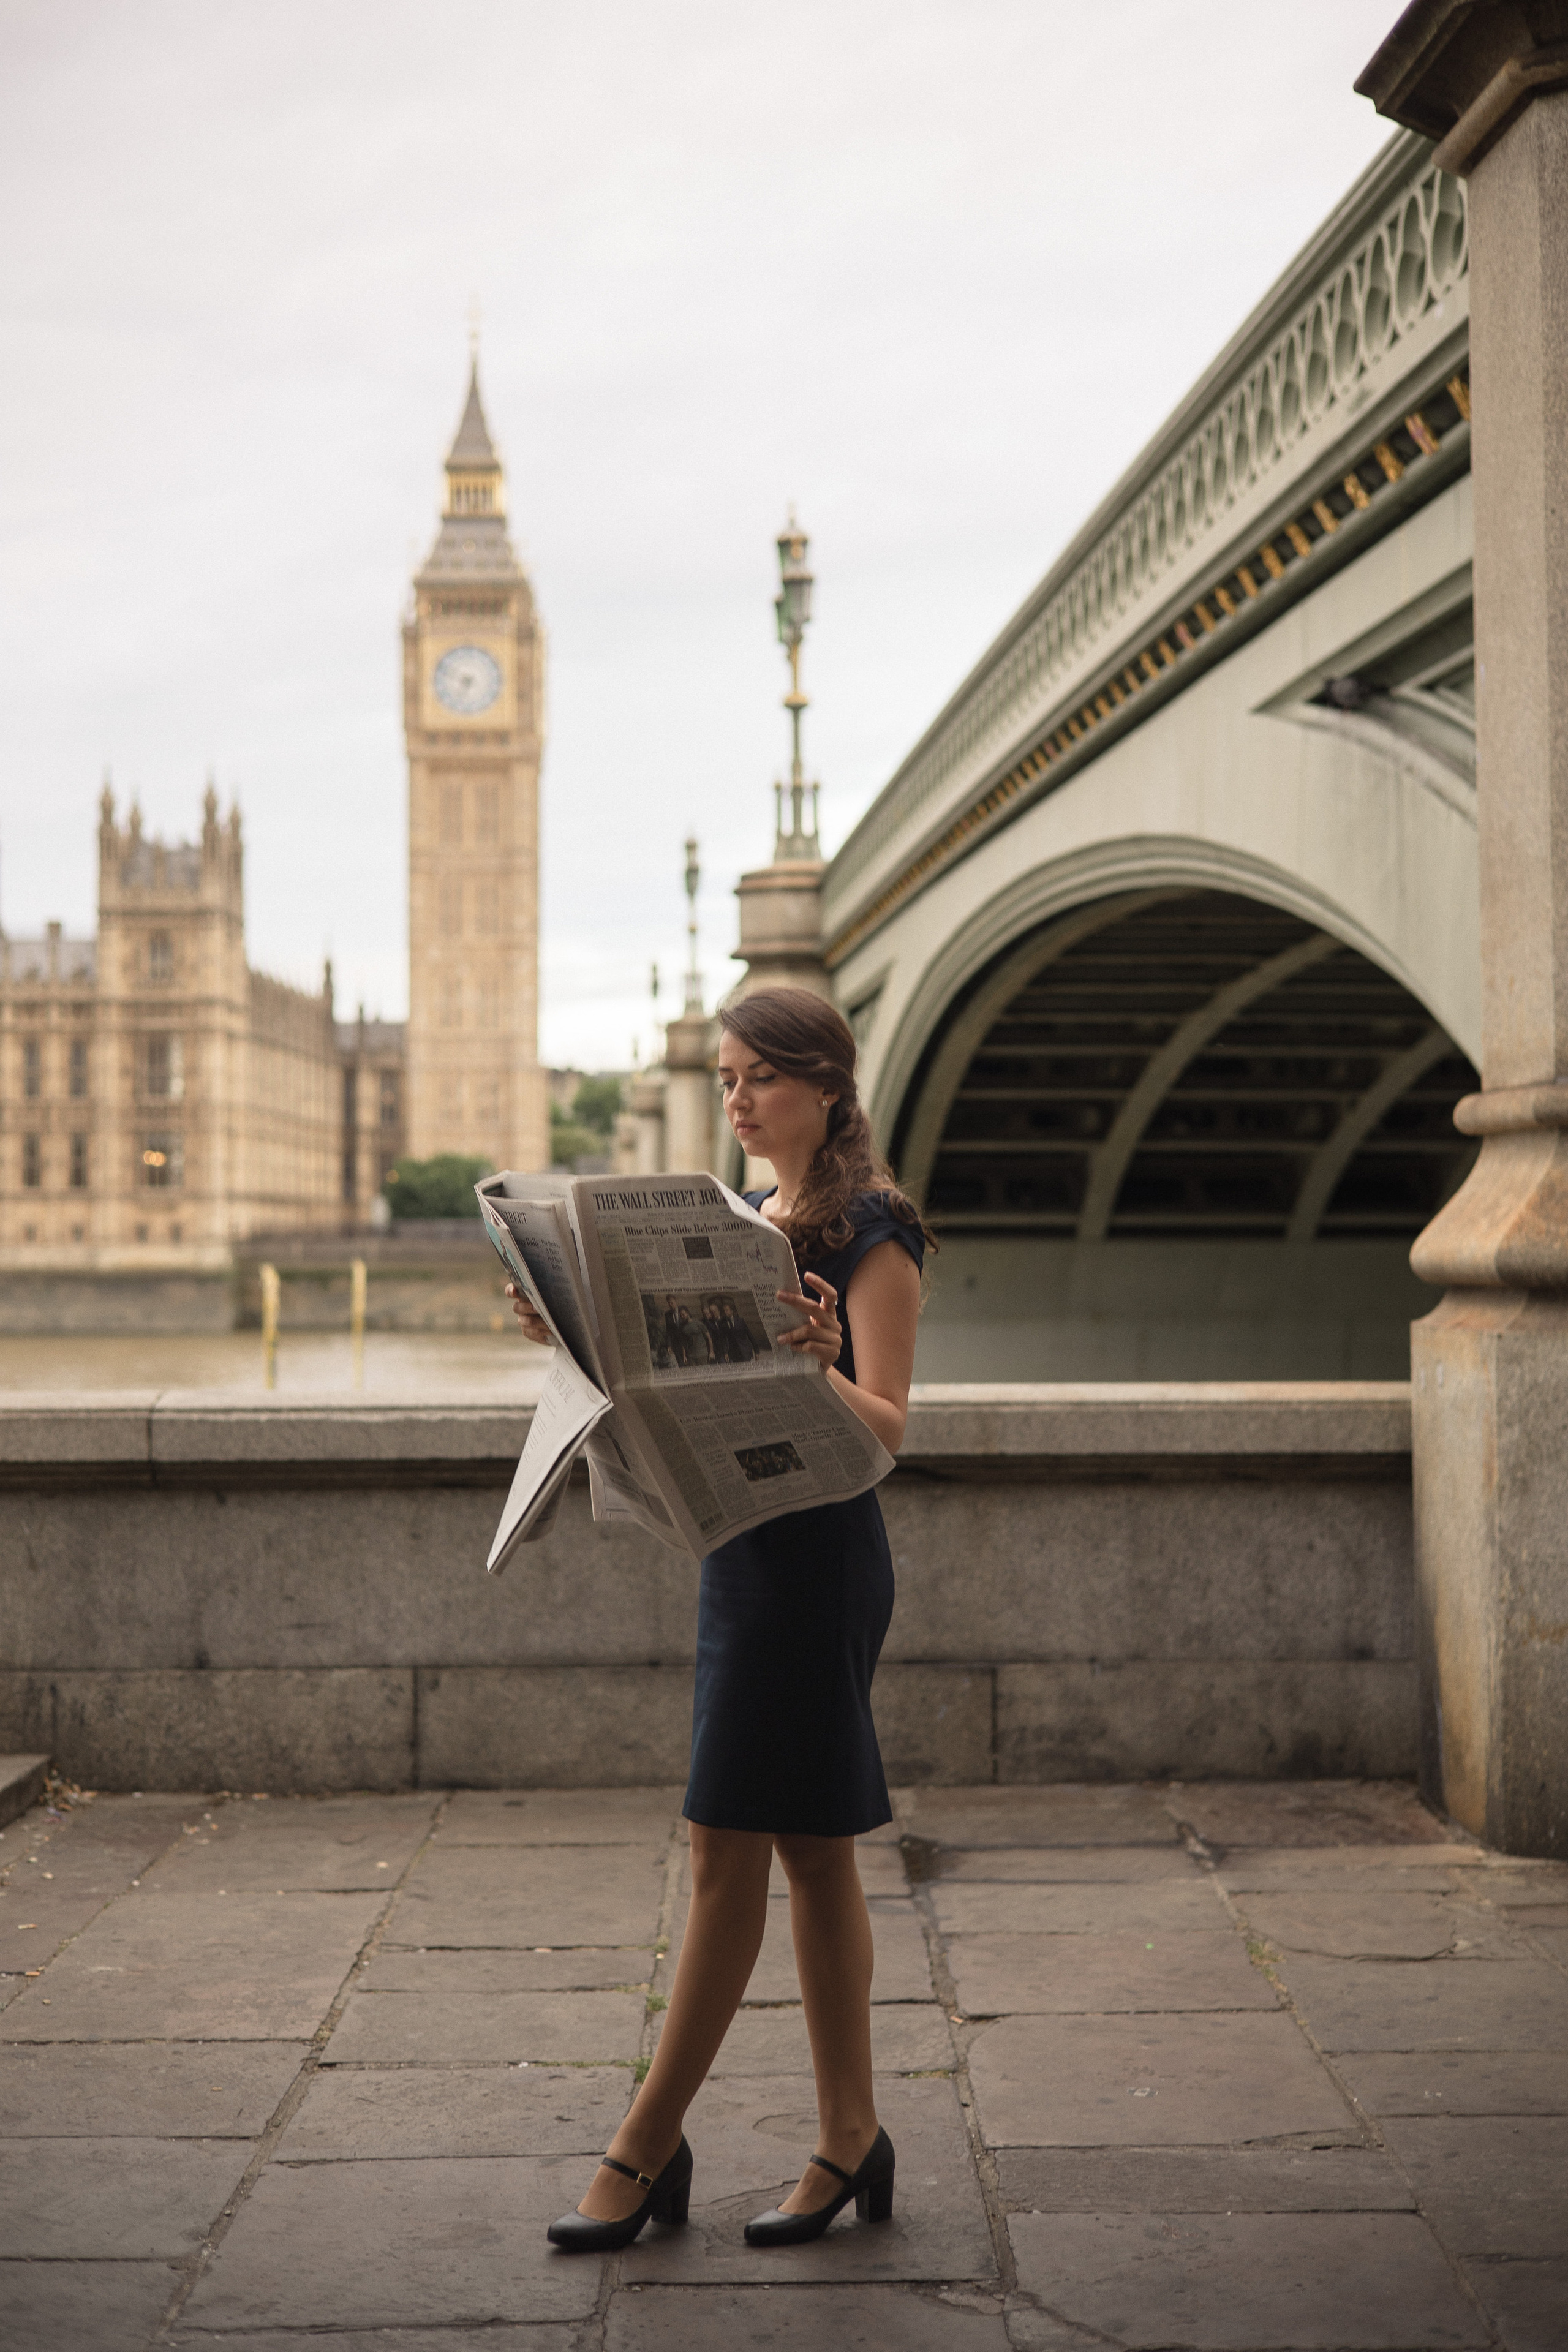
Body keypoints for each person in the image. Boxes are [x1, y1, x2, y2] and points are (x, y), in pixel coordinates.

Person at [505, 984, 933, 2253]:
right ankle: (849, 2137)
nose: (734, 1099)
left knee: (723, 1849)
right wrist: (576, 1336)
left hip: (819, 1565)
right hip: (740, 1551)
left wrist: (821, 1372)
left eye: (755, 1079)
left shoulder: (875, 1232)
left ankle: (644, 2147)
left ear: (824, 1087)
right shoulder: (736, 1222)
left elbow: (892, 1429)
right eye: (727, 1078)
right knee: (808, 1853)